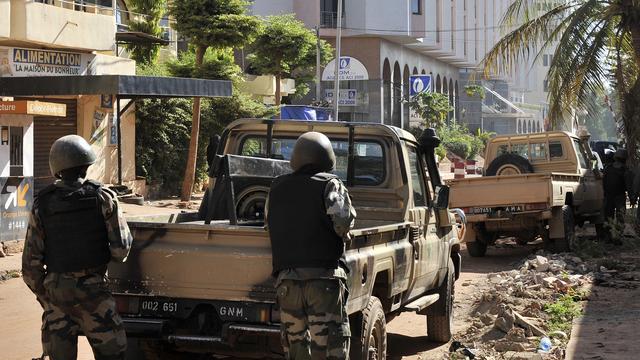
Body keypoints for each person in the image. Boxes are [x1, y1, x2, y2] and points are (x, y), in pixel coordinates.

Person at [22, 135, 132, 360]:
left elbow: (29, 269)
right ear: (86, 167)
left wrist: (51, 297)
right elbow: (121, 250)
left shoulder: (41, 204)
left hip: (56, 296)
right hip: (95, 296)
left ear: (57, 168)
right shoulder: (103, 197)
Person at [266, 132, 357, 360]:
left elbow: (270, 225)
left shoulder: (276, 187)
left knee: (296, 350)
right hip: (323, 281)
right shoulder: (330, 184)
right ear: (327, 159)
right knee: (330, 349)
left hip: (287, 283)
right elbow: (343, 224)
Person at [603, 148, 629, 227]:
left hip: (609, 195)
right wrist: (632, 197)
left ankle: (608, 233)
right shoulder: (625, 170)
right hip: (619, 196)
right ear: (624, 159)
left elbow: (603, 181)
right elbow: (629, 184)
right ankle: (618, 234)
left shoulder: (608, 168)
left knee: (608, 216)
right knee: (620, 216)